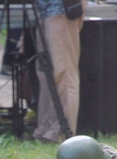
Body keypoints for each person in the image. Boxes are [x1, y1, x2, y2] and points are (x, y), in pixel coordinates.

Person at [32, 0, 86, 144]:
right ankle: (46, 129)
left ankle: (63, 130)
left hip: (61, 12)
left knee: (64, 74)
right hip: (46, 12)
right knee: (46, 75)